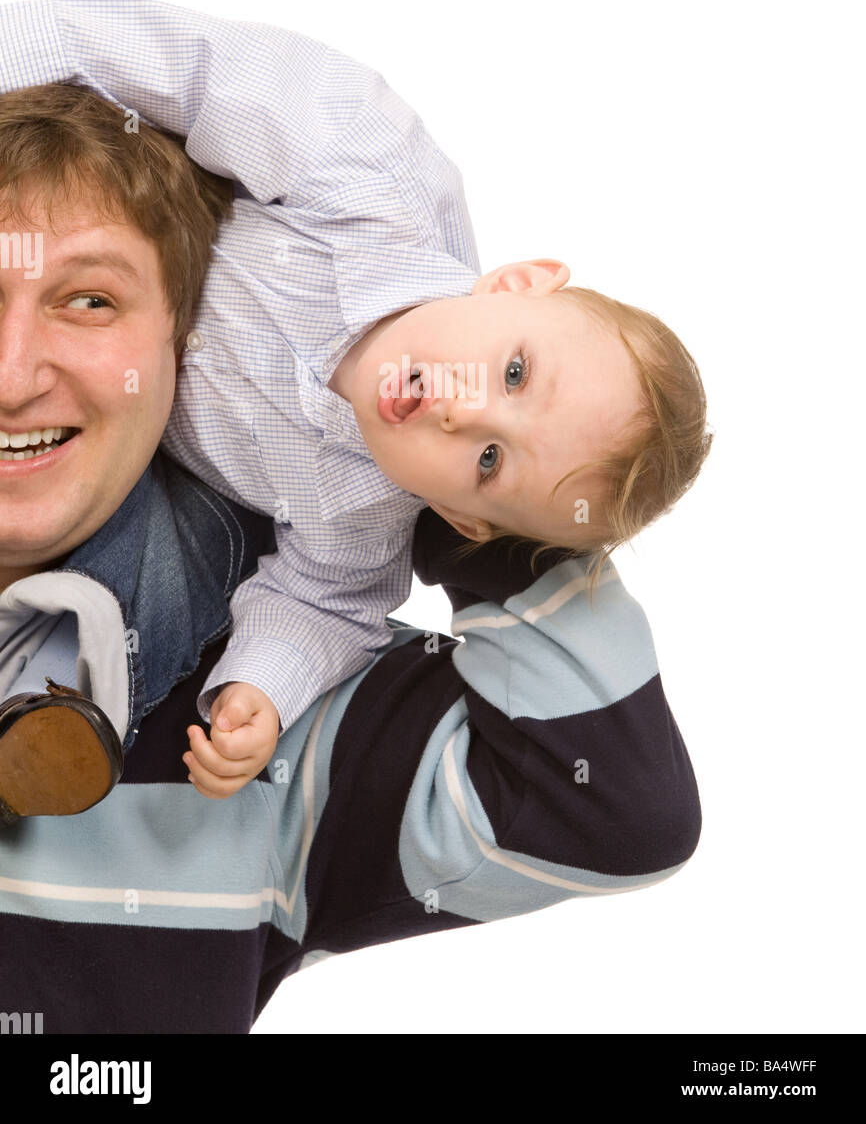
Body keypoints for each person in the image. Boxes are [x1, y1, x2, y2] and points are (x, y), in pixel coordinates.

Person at [0, 64, 701, 1031]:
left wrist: (470, 490)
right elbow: (207, 69)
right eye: (510, 372)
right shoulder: (367, 199)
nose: (14, 373)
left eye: (91, 303)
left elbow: (618, 811)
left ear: (177, 332)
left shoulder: (279, 742)